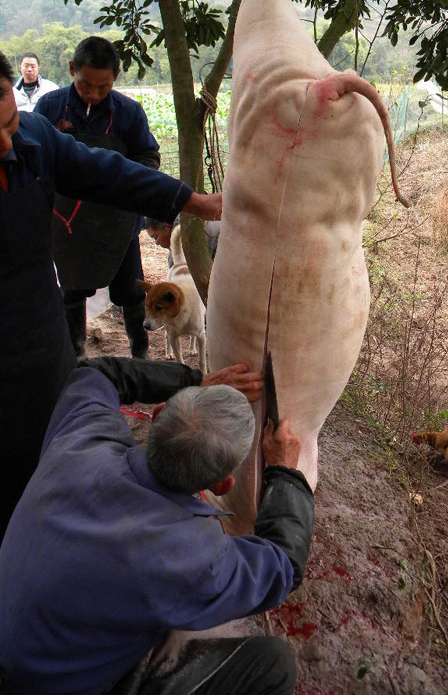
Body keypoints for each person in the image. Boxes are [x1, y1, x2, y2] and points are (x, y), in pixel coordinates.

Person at [0, 50, 223, 541]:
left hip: (46, 334)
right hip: (57, 258)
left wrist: (192, 201)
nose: (5, 144)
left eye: (9, 124)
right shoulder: (52, 108)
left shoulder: (38, 138)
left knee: (55, 448)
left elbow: (111, 171)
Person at [0, 356, 313, 695]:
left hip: (15, 643)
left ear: (159, 415)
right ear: (222, 485)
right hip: (47, 687)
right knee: (273, 664)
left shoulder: (81, 438)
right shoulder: (186, 554)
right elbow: (283, 567)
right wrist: (285, 473)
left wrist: (192, 381)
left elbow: (97, 373)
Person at [35, 37, 162, 361]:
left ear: (116, 77)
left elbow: (148, 156)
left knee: (131, 291)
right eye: (85, 85)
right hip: (68, 222)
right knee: (71, 290)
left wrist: (125, 182)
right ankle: (76, 356)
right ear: (72, 69)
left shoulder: (129, 113)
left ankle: (140, 355)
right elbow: (34, 157)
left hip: (118, 221)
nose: (92, 93)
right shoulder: (50, 107)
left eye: (102, 87)